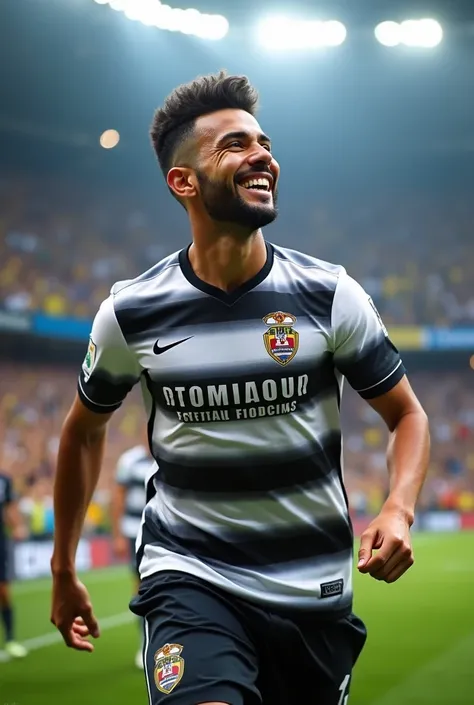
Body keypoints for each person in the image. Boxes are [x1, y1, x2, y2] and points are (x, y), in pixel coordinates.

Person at [50, 70, 430, 705]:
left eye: (264, 142)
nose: (263, 156)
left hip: (312, 591)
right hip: (191, 576)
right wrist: (63, 566)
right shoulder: (131, 313)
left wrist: (398, 507)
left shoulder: (329, 295)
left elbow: (408, 416)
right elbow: (83, 431)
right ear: (184, 182)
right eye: (234, 145)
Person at [111, 430, 152, 669]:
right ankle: (144, 643)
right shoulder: (129, 460)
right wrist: (116, 534)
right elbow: (118, 497)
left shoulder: (166, 454)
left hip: (161, 531)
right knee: (140, 587)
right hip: (133, 531)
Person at [0, 472, 28, 659]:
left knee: (3, 590)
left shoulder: (4, 480)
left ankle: (10, 639)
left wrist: (17, 525)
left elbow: (8, 509)